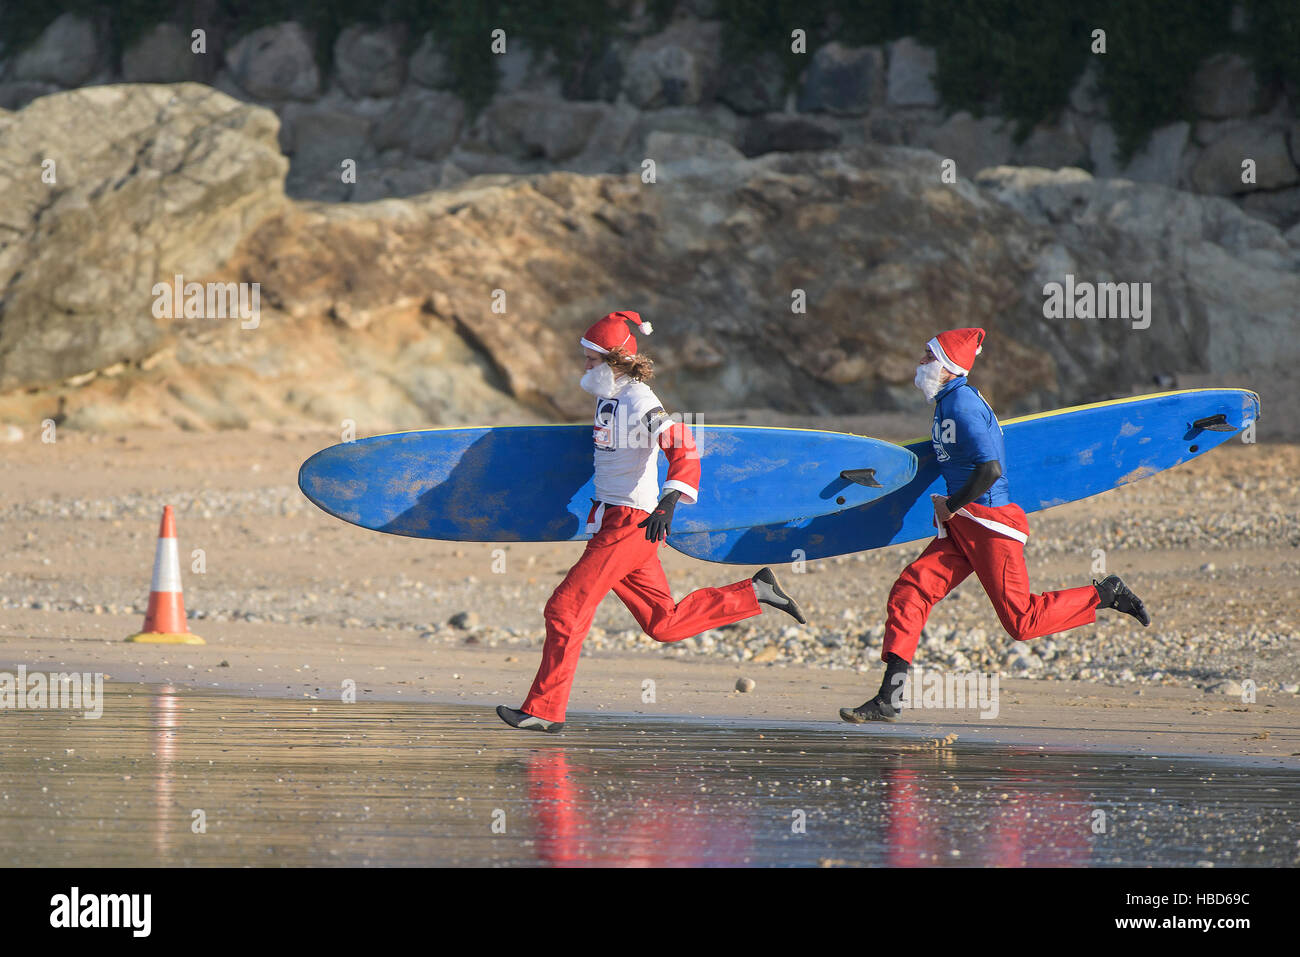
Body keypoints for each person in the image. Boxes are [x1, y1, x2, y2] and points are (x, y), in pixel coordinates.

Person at [498, 311, 806, 733]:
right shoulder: (610, 395)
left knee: (565, 609)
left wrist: (669, 502)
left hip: (633, 523)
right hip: (614, 521)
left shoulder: (639, 399)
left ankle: (544, 711)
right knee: (663, 623)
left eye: (590, 359)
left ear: (613, 359)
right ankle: (755, 592)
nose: (584, 367)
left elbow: (683, 446)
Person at [841, 327, 1150, 724]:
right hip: (963, 525)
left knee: (1021, 622)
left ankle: (1105, 595)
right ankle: (889, 698)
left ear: (948, 367)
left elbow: (990, 469)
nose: (920, 364)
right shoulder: (947, 404)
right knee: (910, 591)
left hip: (989, 525)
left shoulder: (964, 406)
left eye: (927, 358)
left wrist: (949, 505)